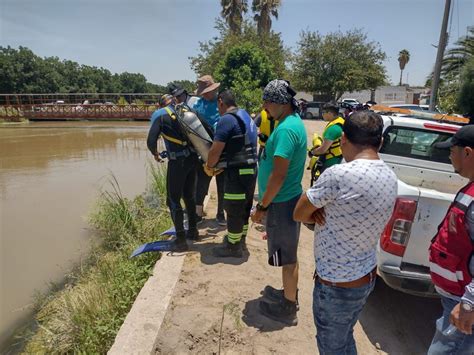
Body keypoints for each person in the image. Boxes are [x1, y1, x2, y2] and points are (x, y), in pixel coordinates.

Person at [293, 111, 398, 354]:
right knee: (344, 338)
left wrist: (315, 213)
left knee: (332, 346)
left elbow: (299, 213)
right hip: (366, 277)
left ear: (342, 140)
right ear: (380, 142)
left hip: (336, 285)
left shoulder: (338, 175)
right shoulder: (391, 177)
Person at [251, 79, 307, 326]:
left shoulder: (285, 130)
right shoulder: (291, 122)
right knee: (286, 253)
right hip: (286, 198)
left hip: (282, 202)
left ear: (281, 103)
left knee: (287, 256)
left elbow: (278, 174)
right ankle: (288, 292)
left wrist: (262, 206)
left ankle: (288, 306)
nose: (265, 107)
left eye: (268, 102)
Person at [427, 125, 474, 354]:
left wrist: (469, 302)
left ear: (467, 153)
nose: (449, 156)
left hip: (463, 305)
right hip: (456, 300)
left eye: (452, 150)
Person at [205, 89, 258, 258]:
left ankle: (233, 248)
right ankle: (240, 240)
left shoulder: (226, 120)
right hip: (250, 170)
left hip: (237, 171)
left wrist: (209, 165)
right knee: (244, 207)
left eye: (217, 105)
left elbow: (215, 150)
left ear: (221, 101)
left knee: (234, 209)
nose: (218, 109)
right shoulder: (245, 115)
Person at [146, 99, 200, 252]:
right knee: (189, 196)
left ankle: (181, 240)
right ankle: (193, 231)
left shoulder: (160, 116)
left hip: (178, 163)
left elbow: (151, 141)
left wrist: (155, 153)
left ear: (161, 105)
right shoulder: (187, 111)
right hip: (193, 159)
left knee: (173, 200)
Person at [192, 75, 226, 226]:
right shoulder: (197, 106)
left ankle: (220, 213)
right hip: (204, 150)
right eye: (203, 92)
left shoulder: (223, 104)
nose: (205, 94)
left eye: (208, 91)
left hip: (222, 148)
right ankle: (198, 213)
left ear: (215, 90)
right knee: (201, 183)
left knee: (222, 184)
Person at [309, 102, 345, 175]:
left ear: (330, 113)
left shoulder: (333, 129)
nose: (322, 114)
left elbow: (323, 150)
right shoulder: (341, 122)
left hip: (331, 162)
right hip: (340, 158)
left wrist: (312, 152)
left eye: (323, 112)